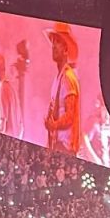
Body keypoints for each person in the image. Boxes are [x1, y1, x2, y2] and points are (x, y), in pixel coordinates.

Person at [44, 22, 81, 154]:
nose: (53, 46)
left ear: (66, 49)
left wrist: (54, 125)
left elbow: (70, 115)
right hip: (57, 143)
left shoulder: (67, 78)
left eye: (57, 41)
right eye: (53, 41)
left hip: (65, 146)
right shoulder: (58, 78)